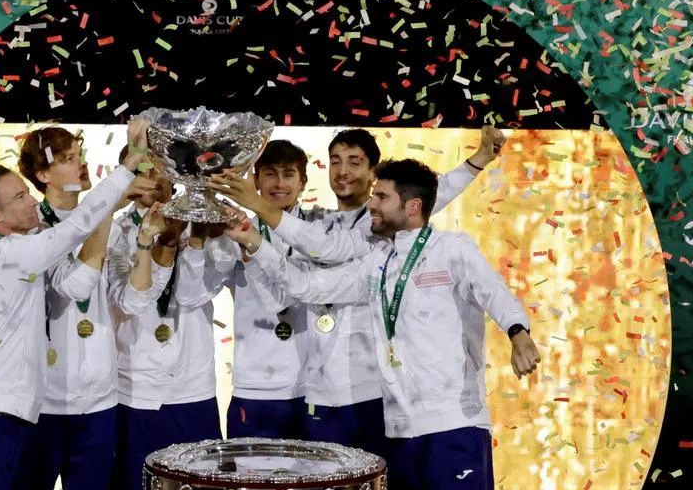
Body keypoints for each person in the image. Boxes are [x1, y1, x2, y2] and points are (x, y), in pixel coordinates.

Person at [225, 158, 541, 490]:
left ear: (412, 206)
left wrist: (518, 331)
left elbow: (493, 290)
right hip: (399, 429)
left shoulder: (452, 249)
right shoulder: (376, 264)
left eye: (381, 196)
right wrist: (255, 243)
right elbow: (306, 287)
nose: (371, 204)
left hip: (452, 422)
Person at [209, 127, 505, 456]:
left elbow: (435, 192)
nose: (343, 171)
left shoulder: (380, 223)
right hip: (321, 392)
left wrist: (477, 161)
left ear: (373, 174)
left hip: (374, 389)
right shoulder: (320, 224)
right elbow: (310, 258)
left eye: (354, 162)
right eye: (335, 161)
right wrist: (246, 236)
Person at [0, 118, 149, 490]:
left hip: (19, 412)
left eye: (26, 194)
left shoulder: (26, 245)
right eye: (19, 196)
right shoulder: (7, 253)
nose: (29, 202)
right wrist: (127, 168)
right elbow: (76, 229)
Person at [17, 126, 165, 490]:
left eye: (79, 154)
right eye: (66, 158)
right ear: (42, 175)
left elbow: (132, 302)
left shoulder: (111, 226)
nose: (79, 163)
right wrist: (104, 212)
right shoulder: (32, 230)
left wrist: (144, 246)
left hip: (99, 402)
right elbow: (74, 285)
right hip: (44, 404)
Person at [105, 145, 232, 490]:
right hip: (134, 390)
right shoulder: (112, 231)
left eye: (161, 170)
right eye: (142, 169)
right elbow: (128, 300)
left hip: (192, 390)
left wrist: (190, 241)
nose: (152, 179)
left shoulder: (204, 225)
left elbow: (199, 292)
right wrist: (157, 245)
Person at [215, 140, 311, 439]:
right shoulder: (237, 231)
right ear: (255, 180)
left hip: (311, 387)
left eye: (288, 174)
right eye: (270, 173)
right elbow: (198, 291)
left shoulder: (320, 230)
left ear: (303, 182)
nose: (279, 183)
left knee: (310, 484)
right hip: (254, 387)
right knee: (250, 485)